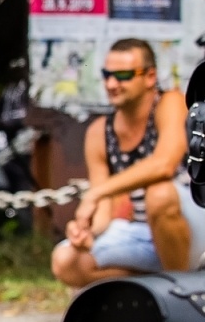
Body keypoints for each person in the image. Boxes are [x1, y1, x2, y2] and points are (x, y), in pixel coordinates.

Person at [53, 38, 205, 287]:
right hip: (144, 234)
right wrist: (86, 231)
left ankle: (185, 292)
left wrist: (96, 193)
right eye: (107, 75)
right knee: (65, 260)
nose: (112, 84)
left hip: (192, 227)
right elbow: (104, 213)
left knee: (159, 194)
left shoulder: (171, 103)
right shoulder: (99, 132)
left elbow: (164, 165)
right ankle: (155, 288)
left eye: (123, 75)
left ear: (150, 76)